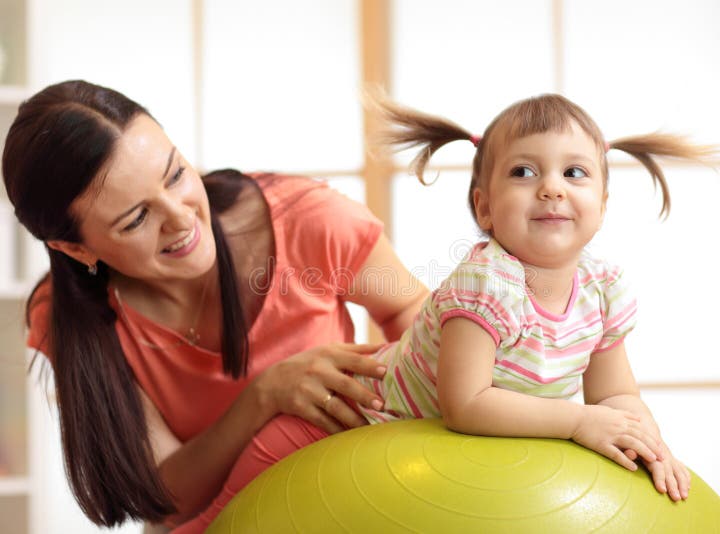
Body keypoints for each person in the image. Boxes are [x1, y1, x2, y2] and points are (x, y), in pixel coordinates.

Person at [203, 92, 710, 530]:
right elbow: (467, 403)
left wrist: (646, 440)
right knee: (222, 521)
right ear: (485, 208)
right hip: (345, 419)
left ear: (602, 203)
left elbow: (615, 392)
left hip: (437, 464)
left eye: (574, 172)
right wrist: (579, 422)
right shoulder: (486, 283)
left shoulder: (602, 289)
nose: (551, 187)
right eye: (523, 171)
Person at [2, 80, 429, 531]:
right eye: (137, 218)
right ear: (77, 250)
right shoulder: (69, 314)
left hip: (342, 507)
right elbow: (165, 499)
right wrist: (264, 396)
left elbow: (410, 311)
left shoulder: (308, 221)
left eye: (175, 174)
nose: (182, 218)